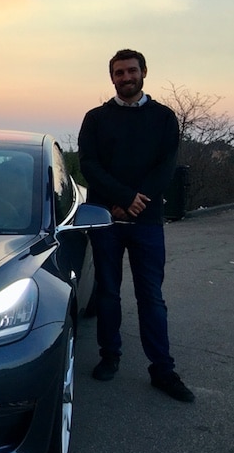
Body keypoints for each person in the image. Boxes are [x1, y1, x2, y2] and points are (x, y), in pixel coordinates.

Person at [78, 48, 194, 402]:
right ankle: (109, 356)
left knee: (151, 297)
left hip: (147, 222)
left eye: (131, 71)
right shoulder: (96, 119)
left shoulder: (164, 118)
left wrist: (135, 201)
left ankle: (162, 369)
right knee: (108, 293)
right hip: (106, 219)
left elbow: (165, 166)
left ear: (144, 72)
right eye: (119, 73)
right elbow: (90, 165)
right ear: (111, 78)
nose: (126, 77)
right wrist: (124, 198)